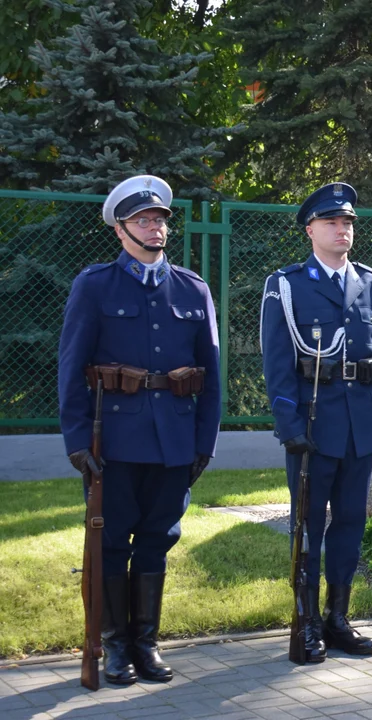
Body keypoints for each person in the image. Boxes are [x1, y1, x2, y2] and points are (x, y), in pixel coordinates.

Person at [58, 175, 221, 684]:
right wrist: (77, 442)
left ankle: (146, 644)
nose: (155, 228)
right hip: (115, 442)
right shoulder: (95, 285)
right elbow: (71, 367)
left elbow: (212, 376)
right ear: (120, 230)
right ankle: (114, 647)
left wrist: (204, 444)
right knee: (110, 545)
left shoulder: (193, 289)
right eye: (143, 221)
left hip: (174, 441)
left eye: (159, 220)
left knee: (156, 540)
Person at [260, 182, 372, 662]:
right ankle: (307, 621)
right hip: (313, 428)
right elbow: (277, 362)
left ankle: (340, 620)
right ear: (310, 229)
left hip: (360, 425)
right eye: (332, 222)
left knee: (351, 524)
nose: (343, 230)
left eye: (348, 223)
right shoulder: (288, 285)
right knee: (309, 525)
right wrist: (288, 424)